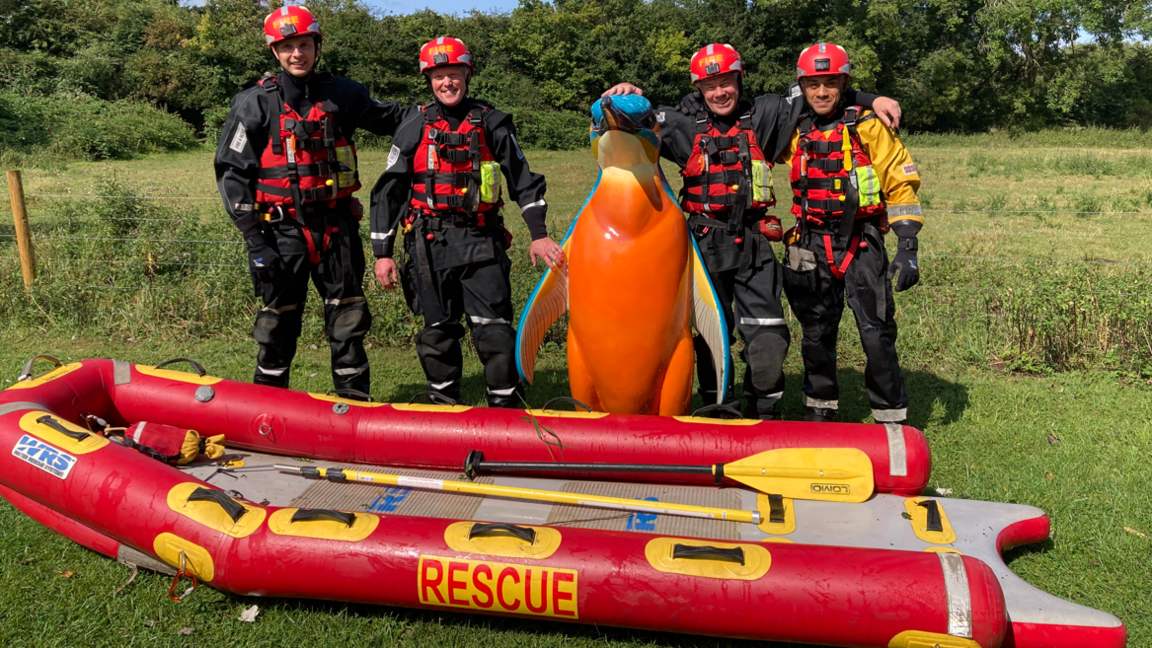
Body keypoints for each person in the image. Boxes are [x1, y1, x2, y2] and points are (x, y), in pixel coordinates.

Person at [602, 44, 901, 419]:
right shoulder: (678, 123)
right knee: (713, 335)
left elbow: (821, 89)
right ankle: (717, 410)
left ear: (739, 80)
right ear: (699, 88)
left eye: (726, 82)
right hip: (702, 247)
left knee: (769, 339)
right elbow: (619, 123)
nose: (719, 92)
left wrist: (873, 98)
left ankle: (764, 414)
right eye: (710, 86)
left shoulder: (766, 113)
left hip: (754, 246)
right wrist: (624, 94)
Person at [214, 6, 418, 399]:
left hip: (336, 227)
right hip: (278, 232)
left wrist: (442, 113)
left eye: (303, 44)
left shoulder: (343, 93)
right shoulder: (254, 103)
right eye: (287, 46)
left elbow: (391, 117)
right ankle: (269, 411)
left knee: (348, 317)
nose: (297, 54)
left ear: (316, 45)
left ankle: (352, 406)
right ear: (275, 52)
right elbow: (232, 174)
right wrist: (255, 243)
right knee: (277, 322)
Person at [369, 37, 565, 407]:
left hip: (481, 239)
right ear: (429, 79)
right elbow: (388, 192)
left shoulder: (493, 122)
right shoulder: (413, 125)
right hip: (428, 243)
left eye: (454, 74)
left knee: (494, 333)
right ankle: (444, 407)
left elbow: (523, 180)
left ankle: (505, 408)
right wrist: (383, 252)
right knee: (437, 334)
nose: (447, 83)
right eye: (439, 75)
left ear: (467, 74)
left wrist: (538, 235)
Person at [780, 43, 923, 425]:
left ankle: (890, 415)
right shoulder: (793, 129)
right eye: (813, 84)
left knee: (875, 334)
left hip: (862, 243)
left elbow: (900, 184)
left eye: (831, 83)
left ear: (844, 84)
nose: (822, 92)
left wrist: (908, 246)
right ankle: (820, 409)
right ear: (802, 86)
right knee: (815, 332)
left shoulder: (868, 126)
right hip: (809, 241)